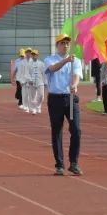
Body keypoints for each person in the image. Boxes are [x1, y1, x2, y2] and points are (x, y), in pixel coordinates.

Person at [44, 34, 83, 176]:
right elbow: (53, 69)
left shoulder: (76, 61)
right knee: (57, 131)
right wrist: (66, 61)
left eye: (67, 43)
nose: (65, 45)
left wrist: (74, 85)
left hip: (70, 98)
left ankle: (74, 163)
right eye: (62, 43)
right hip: (55, 99)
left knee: (76, 130)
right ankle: (59, 164)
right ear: (57, 45)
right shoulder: (49, 59)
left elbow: (76, 75)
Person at [25, 49, 45, 114]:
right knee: (32, 96)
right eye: (33, 55)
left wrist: (45, 82)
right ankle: (34, 109)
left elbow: (44, 73)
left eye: (35, 55)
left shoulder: (41, 64)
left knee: (41, 95)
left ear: (37, 55)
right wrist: (29, 80)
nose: (34, 56)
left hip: (40, 81)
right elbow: (26, 73)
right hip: (32, 82)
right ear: (31, 55)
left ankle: (38, 106)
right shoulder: (28, 64)